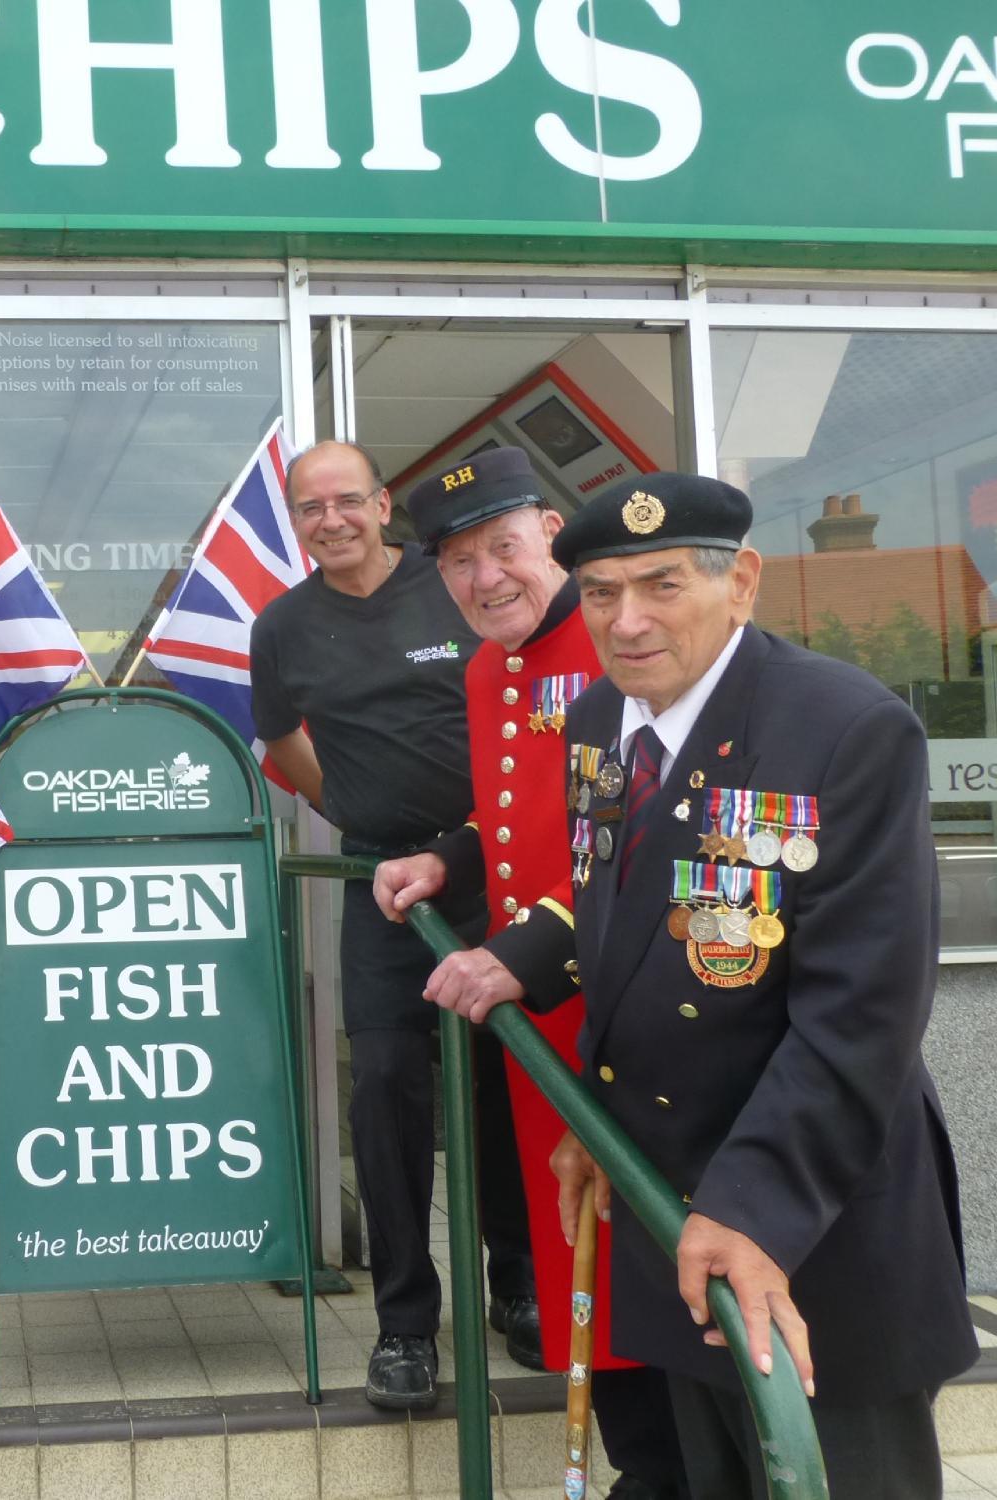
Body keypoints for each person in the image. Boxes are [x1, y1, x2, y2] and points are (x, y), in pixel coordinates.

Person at [430, 470, 978, 1498]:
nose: (625, 621)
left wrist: (752, 1208)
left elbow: (859, 1016)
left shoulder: (841, 730)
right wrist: (595, 1119)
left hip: (805, 1211)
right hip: (664, 1189)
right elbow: (617, 915)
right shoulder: (597, 721)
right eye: (598, 592)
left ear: (741, 582)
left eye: (661, 584)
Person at [372, 447, 687, 1499]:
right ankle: (640, 1466)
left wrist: (516, 951)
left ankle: (678, 1468)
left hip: (633, 1002)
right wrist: (447, 858)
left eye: (500, 548)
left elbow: (645, 838)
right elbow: (517, 810)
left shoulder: (620, 646)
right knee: (576, 1256)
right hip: (536, 1014)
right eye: (456, 563)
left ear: (548, 532)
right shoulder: (482, 666)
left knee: (645, 1249)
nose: (483, 579)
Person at [250, 438, 536, 1411]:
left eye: (344, 501)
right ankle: (404, 1326)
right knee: (383, 1091)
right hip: (381, 884)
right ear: (294, 522)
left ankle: (520, 1286)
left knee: (506, 1080)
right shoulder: (281, 625)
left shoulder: (451, 589)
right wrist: (352, 808)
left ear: (379, 504)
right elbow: (278, 737)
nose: (328, 520)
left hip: (491, 870)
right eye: (307, 508)